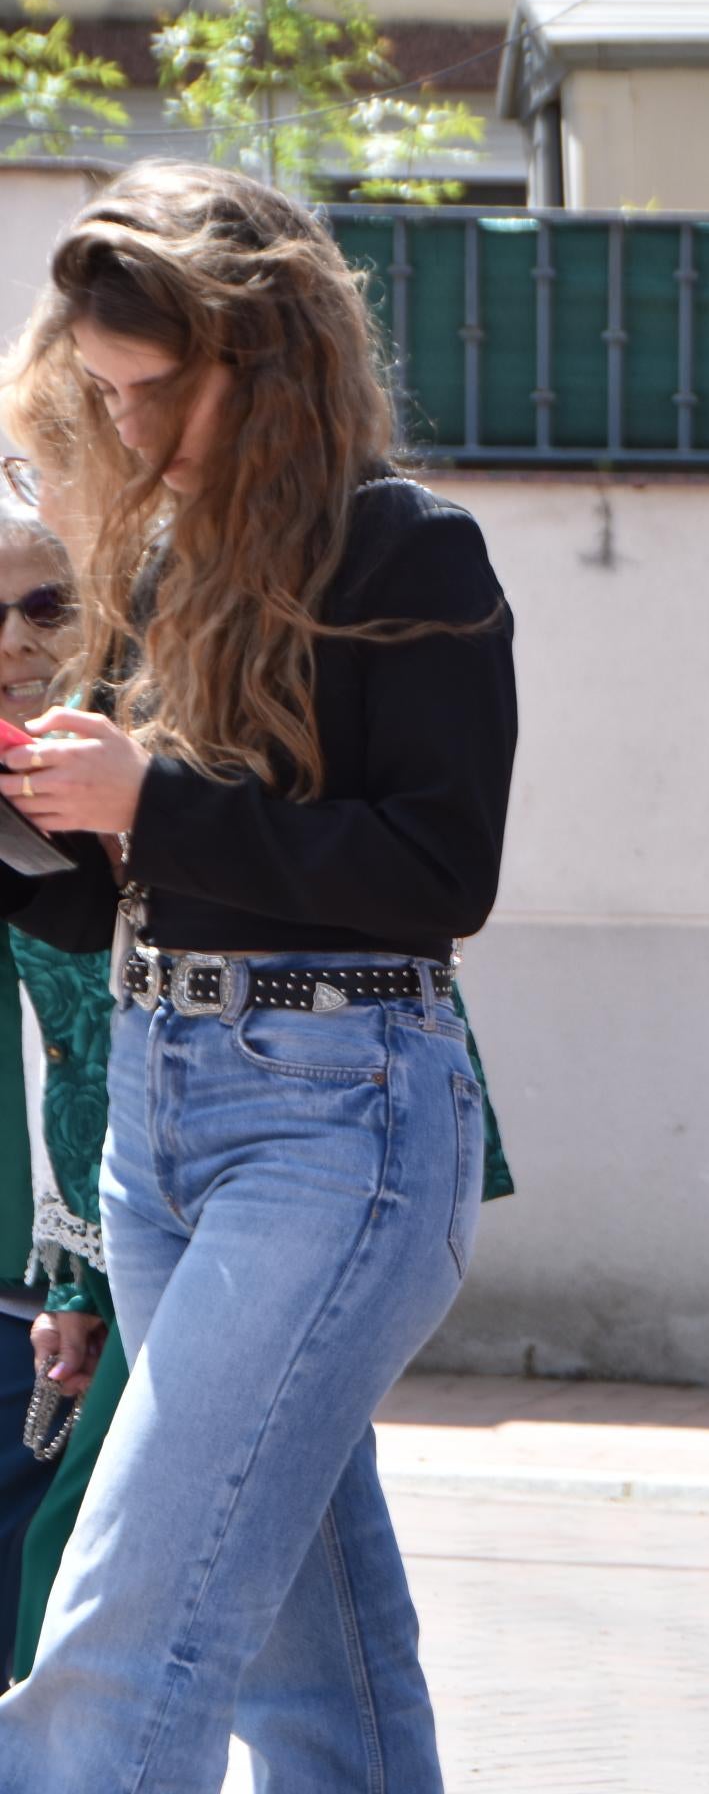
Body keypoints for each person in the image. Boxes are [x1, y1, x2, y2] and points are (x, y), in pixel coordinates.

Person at [0, 160, 519, 1793]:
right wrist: (49, 815)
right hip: (162, 1128)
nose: (129, 429)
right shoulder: (162, 568)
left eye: (157, 391)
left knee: (127, 1619)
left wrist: (150, 799)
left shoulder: (407, 553)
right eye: (103, 392)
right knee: (316, 1653)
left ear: (267, 352)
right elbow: (133, 907)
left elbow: (439, 876)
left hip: (337, 1120)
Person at [0, 332, 128, 1685]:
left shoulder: (131, 762)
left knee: (84, 1601)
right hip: (67, 1269)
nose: (15, 645)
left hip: (124, 1266)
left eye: (45, 607)